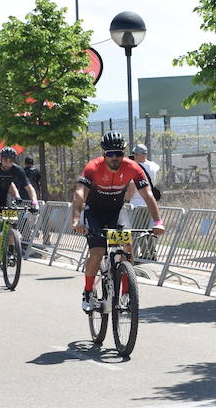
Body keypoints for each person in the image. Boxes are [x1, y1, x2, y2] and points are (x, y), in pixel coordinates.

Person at [69, 132, 164, 312]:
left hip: (116, 212)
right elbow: (80, 193)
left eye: (119, 154)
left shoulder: (132, 167)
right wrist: (76, 220)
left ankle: (127, 293)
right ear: (103, 153)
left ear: (124, 153)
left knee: (127, 249)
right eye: (110, 154)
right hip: (94, 212)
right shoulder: (93, 167)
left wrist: (158, 221)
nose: (115, 158)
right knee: (97, 252)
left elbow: (147, 194)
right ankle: (88, 291)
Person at [0, 146, 37, 214]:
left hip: (3, 195)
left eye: (11, 161)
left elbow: (29, 188)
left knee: (10, 218)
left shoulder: (17, 170)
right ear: (1, 159)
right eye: (5, 160)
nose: (8, 163)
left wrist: (34, 202)